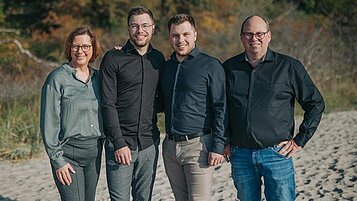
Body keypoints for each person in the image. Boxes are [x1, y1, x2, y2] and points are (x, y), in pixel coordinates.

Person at [223, 15, 325, 201]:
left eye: (260, 33)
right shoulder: (229, 68)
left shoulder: (289, 67)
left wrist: (300, 140)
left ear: (269, 36)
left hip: (276, 154)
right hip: (240, 155)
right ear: (241, 37)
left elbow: (315, 103)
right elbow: (220, 109)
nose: (254, 38)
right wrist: (224, 141)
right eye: (249, 34)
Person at [99, 6, 165, 201]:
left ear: (153, 27)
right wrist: (119, 143)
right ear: (128, 28)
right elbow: (107, 104)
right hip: (120, 144)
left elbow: (163, 99)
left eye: (145, 25)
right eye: (135, 26)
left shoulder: (158, 59)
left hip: (149, 144)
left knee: (144, 198)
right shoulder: (113, 58)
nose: (140, 30)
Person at [159, 14, 227, 201]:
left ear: (195, 34)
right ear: (169, 37)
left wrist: (218, 145)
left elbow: (221, 106)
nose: (181, 40)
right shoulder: (166, 67)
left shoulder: (210, 65)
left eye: (186, 34)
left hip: (199, 147)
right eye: (175, 35)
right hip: (170, 148)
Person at [40, 25, 103, 201]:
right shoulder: (57, 78)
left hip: (95, 154)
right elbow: (49, 123)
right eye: (75, 46)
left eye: (85, 46)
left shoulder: (100, 78)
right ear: (69, 48)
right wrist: (58, 161)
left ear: (93, 49)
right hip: (68, 154)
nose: (80, 51)